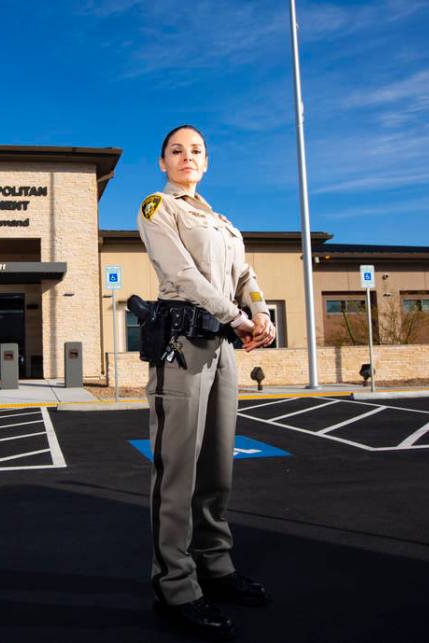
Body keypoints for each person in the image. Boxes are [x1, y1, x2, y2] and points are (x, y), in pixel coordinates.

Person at [138, 124, 276, 641]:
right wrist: (238, 317)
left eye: (196, 150)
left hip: (224, 349)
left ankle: (214, 566)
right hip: (183, 346)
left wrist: (260, 312)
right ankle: (174, 584)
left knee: (218, 465)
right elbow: (184, 276)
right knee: (177, 471)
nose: (186, 157)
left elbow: (245, 274)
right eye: (176, 150)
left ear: (207, 161)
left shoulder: (220, 220)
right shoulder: (159, 207)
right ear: (162, 162)